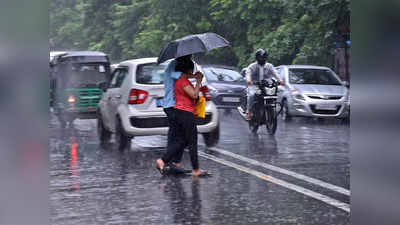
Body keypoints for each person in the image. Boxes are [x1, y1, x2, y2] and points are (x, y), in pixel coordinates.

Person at [156, 58, 209, 177]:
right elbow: (193, 93)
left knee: (182, 139)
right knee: (179, 137)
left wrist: (193, 77)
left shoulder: (181, 76)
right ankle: (169, 163)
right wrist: (197, 79)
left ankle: (171, 162)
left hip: (177, 108)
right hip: (176, 108)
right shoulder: (178, 74)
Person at [244, 49, 282, 120]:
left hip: (266, 86)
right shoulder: (252, 66)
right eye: (260, 57)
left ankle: (270, 110)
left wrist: (280, 80)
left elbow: (276, 73)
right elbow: (248, 74)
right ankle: (249, 112)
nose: (262, 59)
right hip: (255, 86)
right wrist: (249, 80)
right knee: (252, 95)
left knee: (274, 94)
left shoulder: (269, 66)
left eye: (264, 57)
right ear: (257, 58)